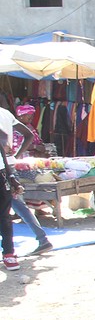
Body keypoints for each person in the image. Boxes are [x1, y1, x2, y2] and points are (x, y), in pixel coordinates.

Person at [4, 105, 52, 256]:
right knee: (18, 204)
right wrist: (15, 157)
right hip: (9, 166)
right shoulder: (6, 114)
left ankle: (9, 251)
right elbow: (29, 135)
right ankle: (43, 239)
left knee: (13, 206)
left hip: (2, 167)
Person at [0, 106, 30, 270]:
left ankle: (9, 253)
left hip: (1, 172)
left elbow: (3, 145)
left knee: (4, 215)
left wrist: (11, 175)